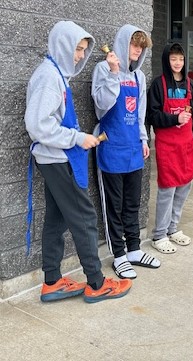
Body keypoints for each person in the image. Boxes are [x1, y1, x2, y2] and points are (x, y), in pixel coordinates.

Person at [24, 20, 132, 303]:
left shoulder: (56, 75)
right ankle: (97, 283)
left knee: (56, 220)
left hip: (54, 158)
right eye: (78, 49)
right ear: (62, 45)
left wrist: (78, 139)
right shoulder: (49, 77)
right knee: (85, 218)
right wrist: (77, 138)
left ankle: (52, 281)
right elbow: (37, 125)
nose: (81, 56)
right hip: (58, 159)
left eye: (84, 50)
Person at [91, 25, 159, 279]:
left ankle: (133, 249)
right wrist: (113, 73)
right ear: (122, 43)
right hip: (111, 146)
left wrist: (144, 139)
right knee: (114, 206)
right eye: (134, 44)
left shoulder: (139, 77)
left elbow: (139, 113)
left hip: (132, 147)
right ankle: (118, 255)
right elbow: (102, 106)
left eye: (141, 46)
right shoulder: (104, 69)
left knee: (132, 204)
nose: (137, 50)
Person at [146, 42, 193, 254]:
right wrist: (174, 118)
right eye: (173, 59)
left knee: (184, 186)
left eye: (181, 59)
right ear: (166, 61)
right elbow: (152, 115)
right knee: (167, 189)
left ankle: (172, 228)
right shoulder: (158, 85)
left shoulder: (190, 85)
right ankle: (159, 234)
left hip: (187, 144)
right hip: (167, 144)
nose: (177, 63)